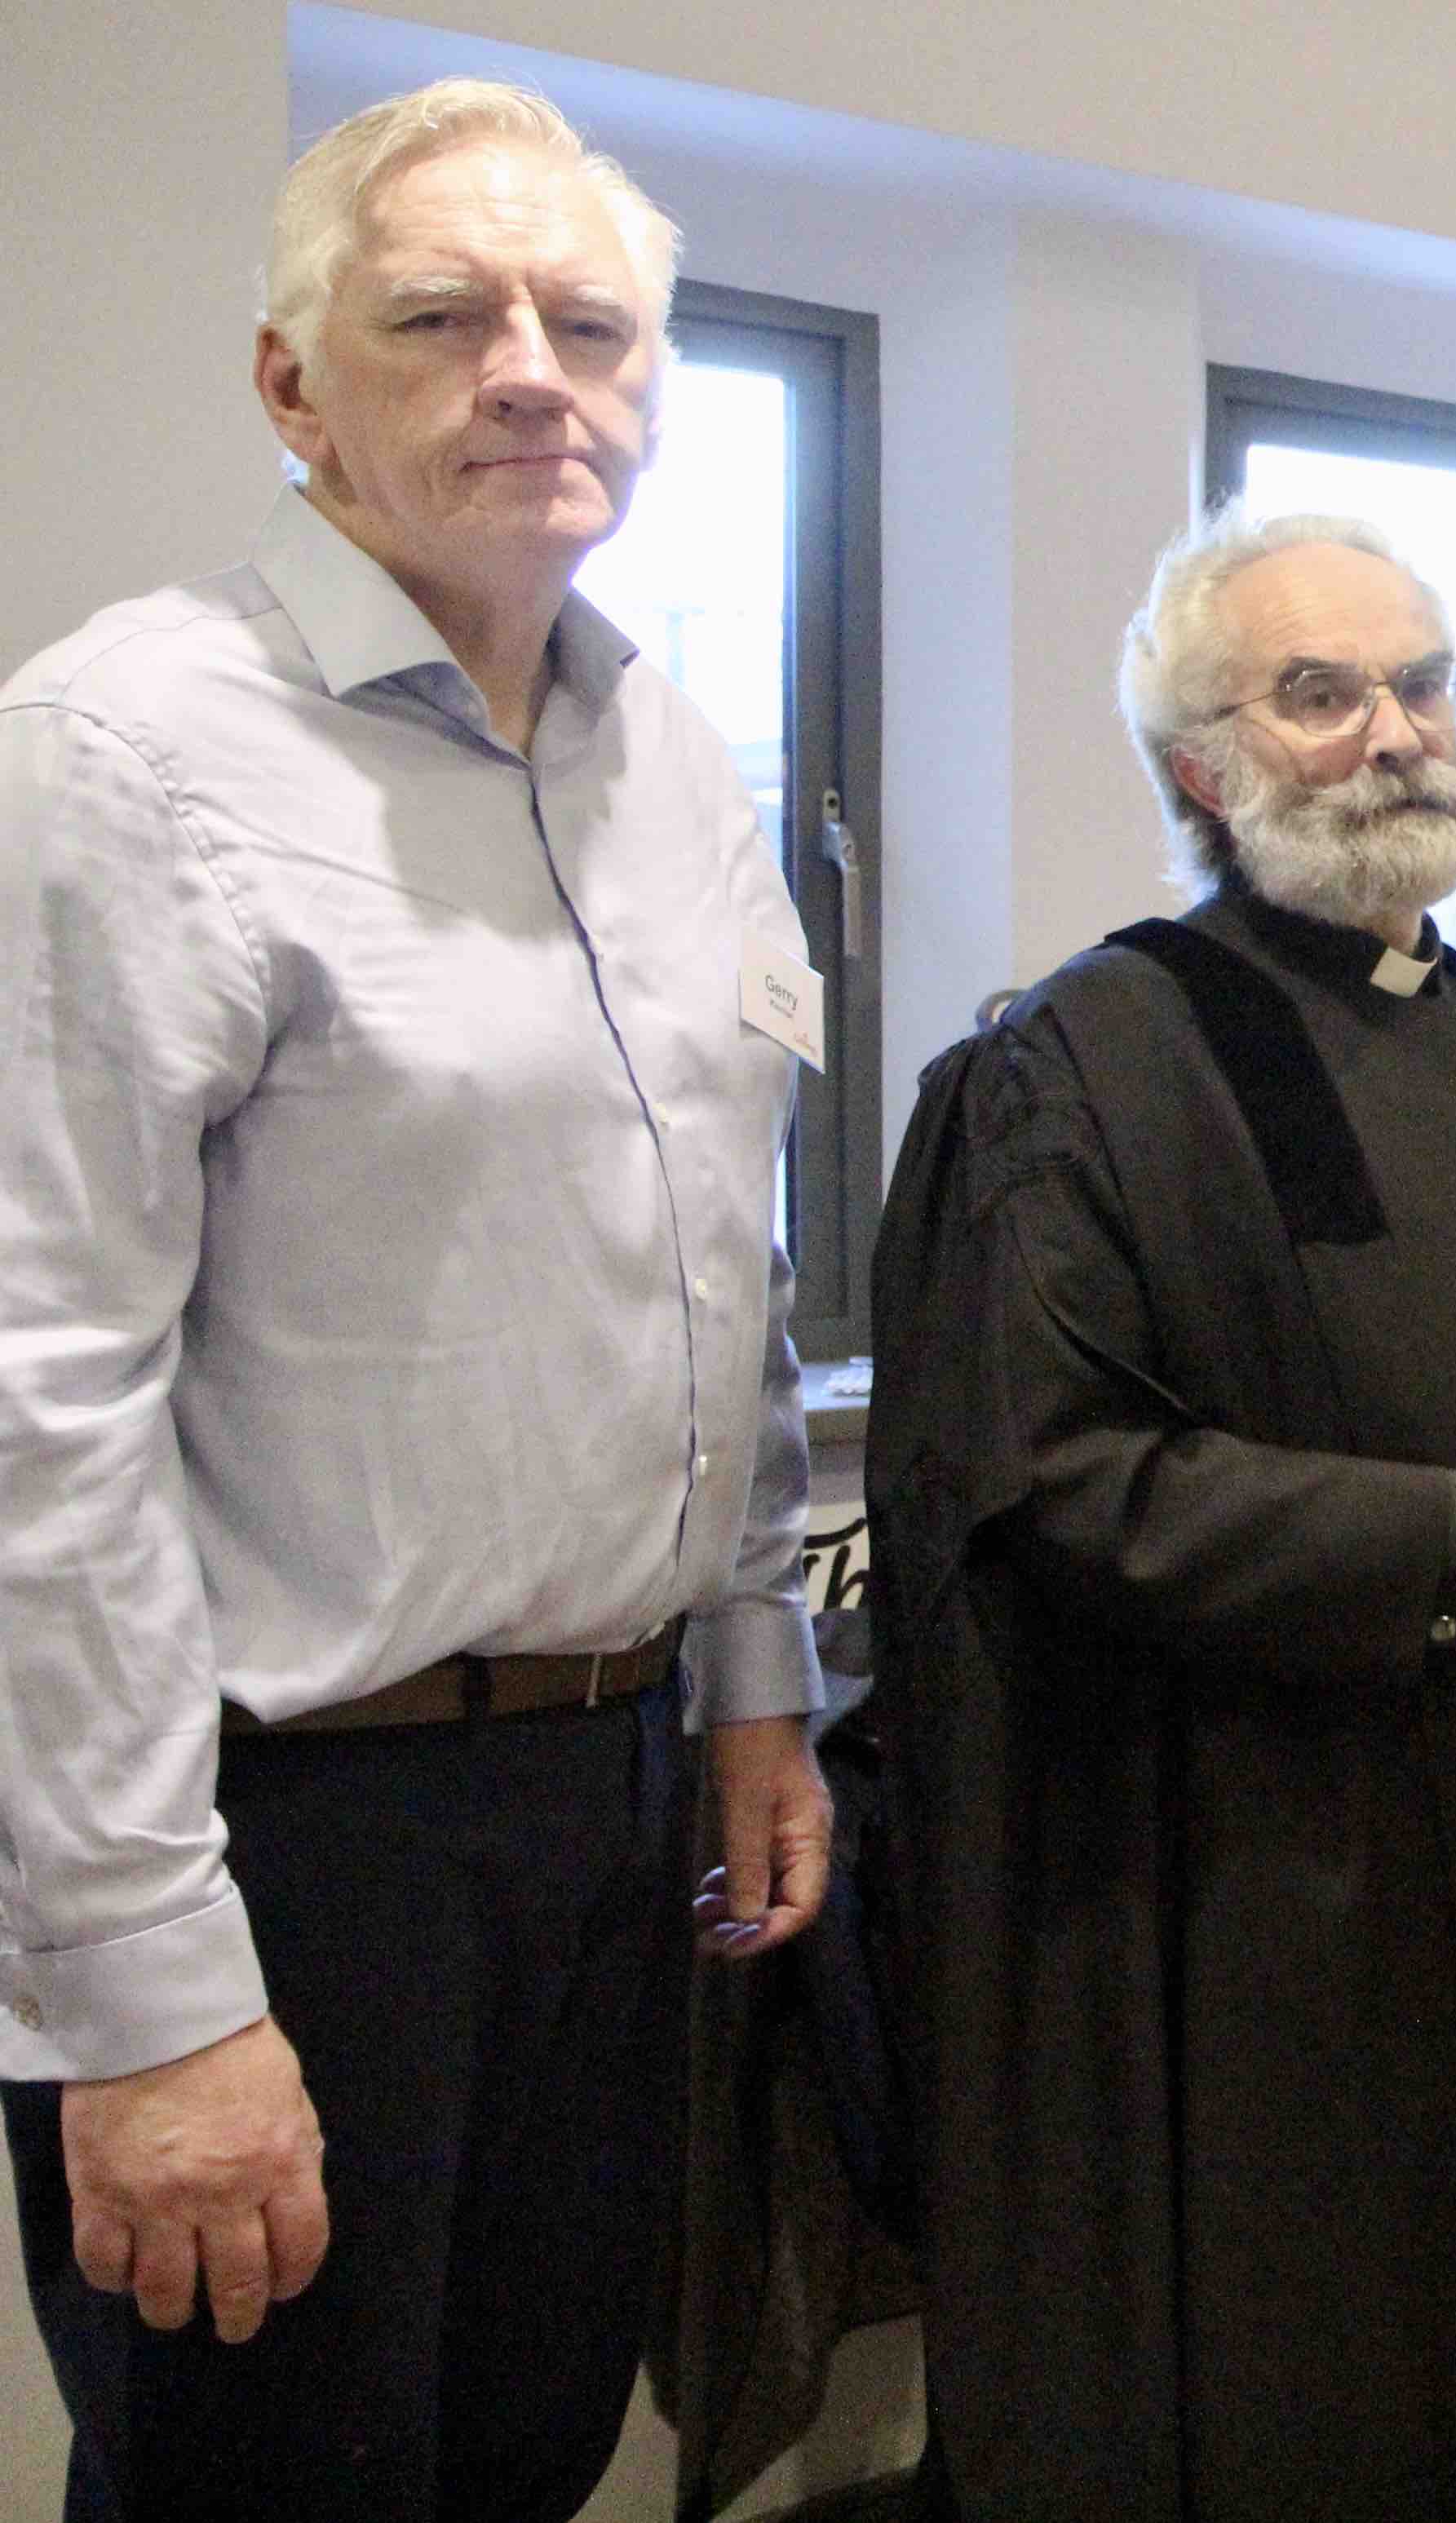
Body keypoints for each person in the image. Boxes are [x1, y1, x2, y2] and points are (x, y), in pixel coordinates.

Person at [0, 78, 835, 2522]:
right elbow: (38, 1404)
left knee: (536, 2449)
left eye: (591, 327)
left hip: (606, 1793)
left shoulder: (673, 760)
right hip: (281, 1824)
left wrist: (754, 1679)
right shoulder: (122, 755)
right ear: (295, 386)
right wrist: (146, 1993)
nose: (531, 374)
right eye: (443, 318)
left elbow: (718, 1264)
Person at [867, 504, 1456, 2522]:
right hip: (1258, 1876)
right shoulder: (1088, 1055)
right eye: (1319, 693)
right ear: (1198, 762)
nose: (1395, 732)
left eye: (1425, 683)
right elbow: (1056, 1483)